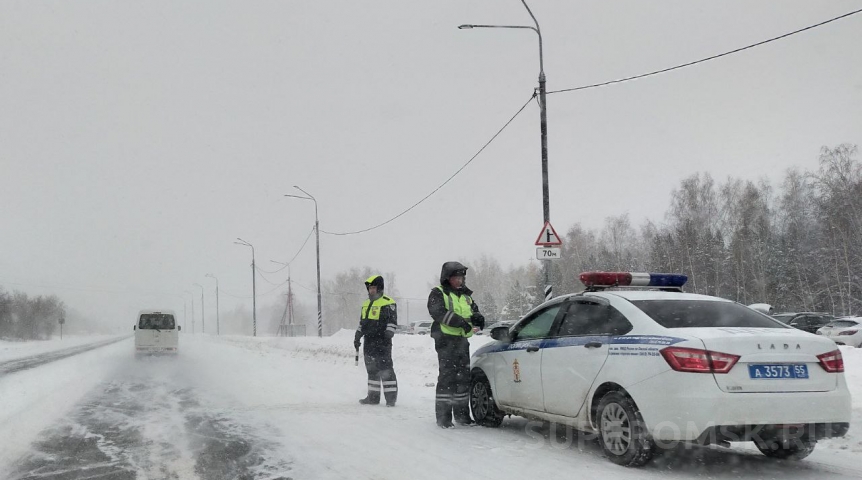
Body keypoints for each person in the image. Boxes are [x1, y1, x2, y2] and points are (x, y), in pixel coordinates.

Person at [427, 261, 485, 428]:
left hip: (461, 341)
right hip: (445, 340)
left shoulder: (466, 296)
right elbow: (437, 312)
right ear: (447, 278)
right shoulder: (438, 293)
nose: (460, 281)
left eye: (461, 277)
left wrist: (478, 317)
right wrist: (459, 322)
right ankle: (443, 418)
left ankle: (462, 416)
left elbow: (473, 310)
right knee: (447, 377)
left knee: (463, 378)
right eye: (456, 278)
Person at [354, 275, 398, 406]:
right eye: (370, 288)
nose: (371, 290)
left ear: (379, 288)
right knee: (372, 370)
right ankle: (373, 398)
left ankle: (391, 399)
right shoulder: (366, 303)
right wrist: (357, 336)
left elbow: (392, 321)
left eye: (373, 288)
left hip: (382, 342)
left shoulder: (388, 302)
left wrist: (388, 333)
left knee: (386, 370)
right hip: (369, 342)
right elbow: (362, 322)